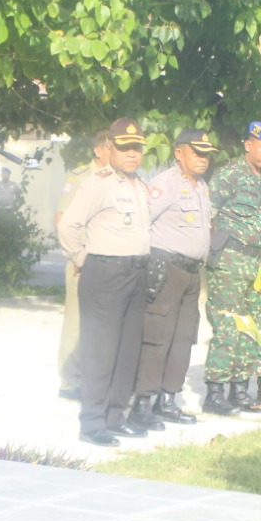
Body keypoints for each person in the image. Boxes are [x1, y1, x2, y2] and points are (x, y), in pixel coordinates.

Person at [57, 118, 152, 447]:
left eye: (137, 148)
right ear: (109, 148)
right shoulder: (98, 183)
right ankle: (92, 423)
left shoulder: (140, 185)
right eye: (124, 148)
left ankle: (115, 416)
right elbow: (68, 226)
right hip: (105, 272)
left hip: (136, 272)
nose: (131, 154)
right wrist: (82, 259)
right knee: (100, 350)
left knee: (127, 352)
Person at [132, 128, 218, 428]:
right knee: (156, 337)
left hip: (192, 274)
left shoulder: (201, 186)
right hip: (166, 270)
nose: (203, 159)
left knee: (183, 338)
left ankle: (168, 400)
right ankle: (143, 404)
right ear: (179, 152)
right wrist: (146, 263)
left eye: (206, 154)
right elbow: (141, 224)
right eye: (197, 153)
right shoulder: (164, 184)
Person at [203, 121, 261, 415]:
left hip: (258, 263)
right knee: (226, 327)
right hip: (230, 261)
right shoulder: (229, 175)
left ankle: (239, 390)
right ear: (248, 145)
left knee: (253, 330)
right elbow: (207, 215)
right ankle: (214, 392)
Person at [54, 131, 110, 400]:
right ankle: (70, 381)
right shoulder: (80, 178)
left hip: (112, 263)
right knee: (77, 322)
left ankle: (97, 378)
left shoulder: (121, 180)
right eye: (115, 147)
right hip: (84, 262)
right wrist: (78, 257)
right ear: (99, 150)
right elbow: (61, 221)